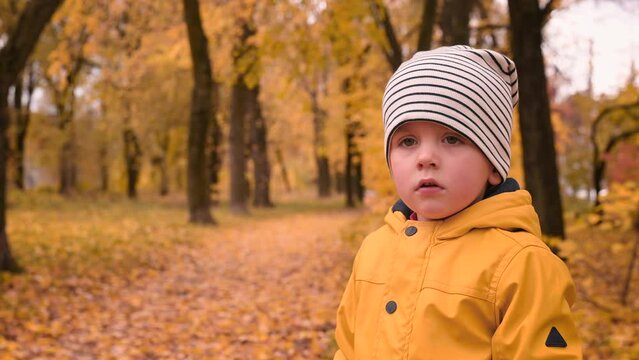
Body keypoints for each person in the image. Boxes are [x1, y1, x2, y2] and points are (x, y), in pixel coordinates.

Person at [333, 45, 582, 359]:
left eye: (452, 138)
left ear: (493, 165)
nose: (426, 158)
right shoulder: (374, 250)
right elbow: (348, 348)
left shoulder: (522, 265)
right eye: (407, 141)